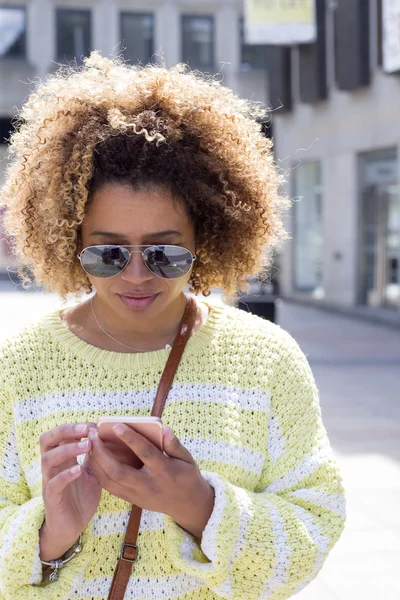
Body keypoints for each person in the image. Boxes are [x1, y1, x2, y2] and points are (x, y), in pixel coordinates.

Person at [0, 52, 346, 600]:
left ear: (207, 238)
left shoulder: (265, 358)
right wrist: (48, 533)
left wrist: (198, 505)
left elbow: (315, 529)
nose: (137, 276)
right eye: (108, 254)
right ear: (69, 241)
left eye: (164, 252)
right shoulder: (16, 365)